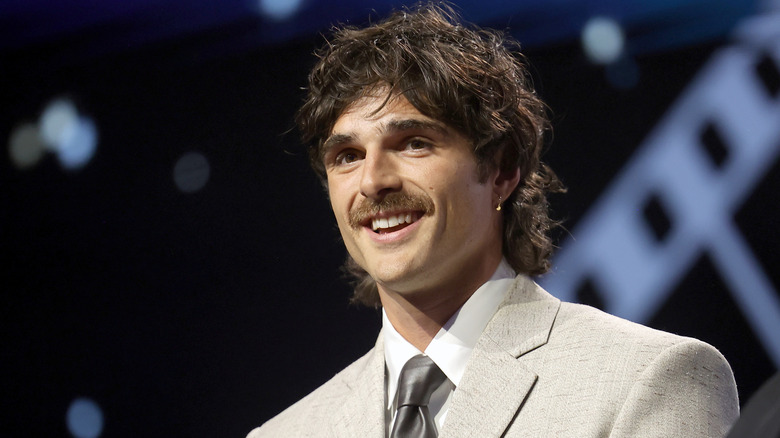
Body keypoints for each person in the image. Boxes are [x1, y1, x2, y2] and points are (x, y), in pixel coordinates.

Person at [247, 2, 739, 437]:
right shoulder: (286, 433)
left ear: (501, 170)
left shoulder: (650, 380)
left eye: (413, 143)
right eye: (348, 156)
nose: (373, 181)